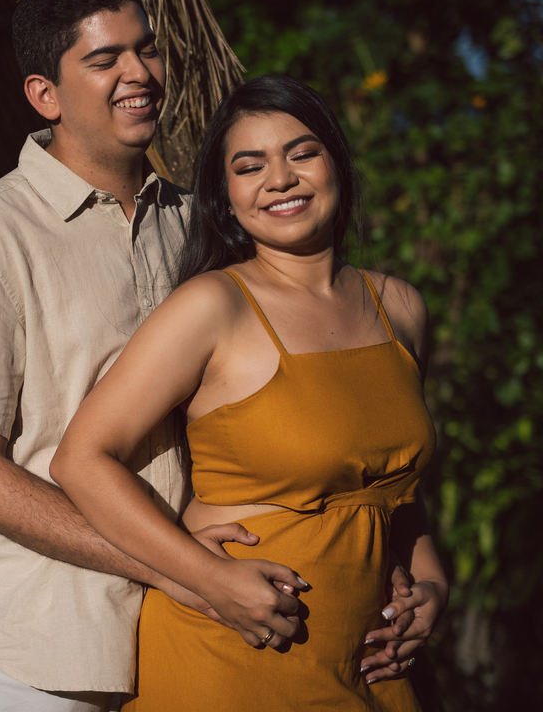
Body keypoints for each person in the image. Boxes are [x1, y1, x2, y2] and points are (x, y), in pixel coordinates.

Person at [0, 0, 309, 711]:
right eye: (104, 59)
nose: (139, 73)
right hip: (37, 653)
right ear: (45, 95)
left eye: (145, 49)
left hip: (184, 645)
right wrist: (179, 567)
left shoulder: (197, 224)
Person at [50, 74, 448, 711]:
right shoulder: (212, 305)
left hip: (371, 665)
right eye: (250, 166)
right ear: (226, 196)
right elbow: (81, 460)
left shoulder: (399, 306)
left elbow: (394, 485)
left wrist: (431, 580)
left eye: (302, 153)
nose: (281, 179)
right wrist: (206, 576)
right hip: (232, 657)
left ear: (337, 164)